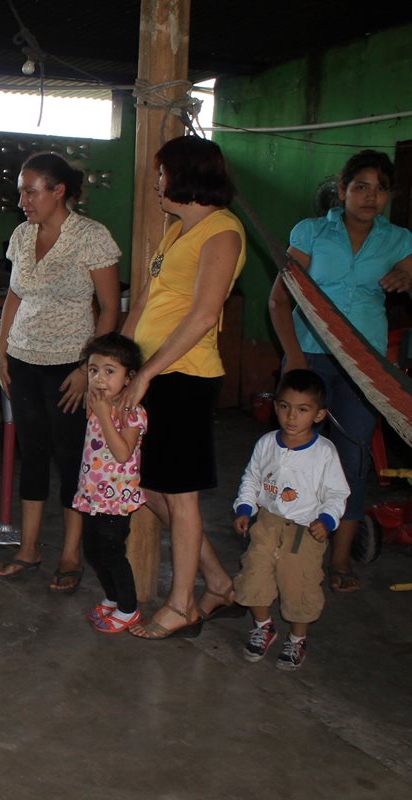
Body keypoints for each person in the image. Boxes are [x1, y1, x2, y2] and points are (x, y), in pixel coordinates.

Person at [269, 149, 412, 593]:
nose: (371, 197)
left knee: (352, 458)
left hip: (363, 364)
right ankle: (276, 546)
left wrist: (409, 273)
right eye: (360, 186)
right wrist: (292, 356)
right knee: (292, 456)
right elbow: (279, 300)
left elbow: (409, 271)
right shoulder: (311, 233)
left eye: (380, 188)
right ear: (342, 189)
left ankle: (341, 557)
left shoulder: (400, 240)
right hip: (308, 356)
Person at [121, 135, 247, 639]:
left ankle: (182, 605)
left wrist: (148, 372)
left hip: (185, 377)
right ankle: (217, 581)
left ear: (185, 174)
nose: (156, 182)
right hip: (153, 374)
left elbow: (202, 316)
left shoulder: (223, 232)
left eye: (161, 172)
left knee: (182, 495)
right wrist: (119, 364)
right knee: (151, 488)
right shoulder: (177, 231)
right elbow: (143, 307)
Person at [0, 152, 122, 592]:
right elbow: (14, 297)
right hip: (23, 360)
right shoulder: (21, 236)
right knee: (32, 453)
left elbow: (109, 308)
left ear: (58, 190)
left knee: (71, 459)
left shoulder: (91, 237)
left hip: (70, 366)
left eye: (31, 191)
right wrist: (2, 349)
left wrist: (90, 368)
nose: (23, 200)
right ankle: (29, 548)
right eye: (21, 192)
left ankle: (70, 553)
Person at [231, 369, 349, 670]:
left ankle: (297, 640)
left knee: (299, 584)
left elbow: (337, 493)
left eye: (302, 410)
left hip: (306, 530)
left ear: (320, 414)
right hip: (268, 521)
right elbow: (252, 478)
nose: (291, 417)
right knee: (255, 572)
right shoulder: (267, 443)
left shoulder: (324, 453)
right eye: (284, 407)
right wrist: (245, 507)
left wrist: (327, 520)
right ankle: (263, 625)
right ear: (275, 406)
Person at [73, 333, 147, 633]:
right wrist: (99, 410)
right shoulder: (96, 404)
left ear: (129, 378)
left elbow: (121, 452)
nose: (100, 379)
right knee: (92, 549)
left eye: (109, 371)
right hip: (92, 494)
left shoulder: (132, 413)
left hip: (117, 498)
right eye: (93, 370)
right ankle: (113, 597)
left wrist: (104, 414)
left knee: (112, 550)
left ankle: (129, 608)